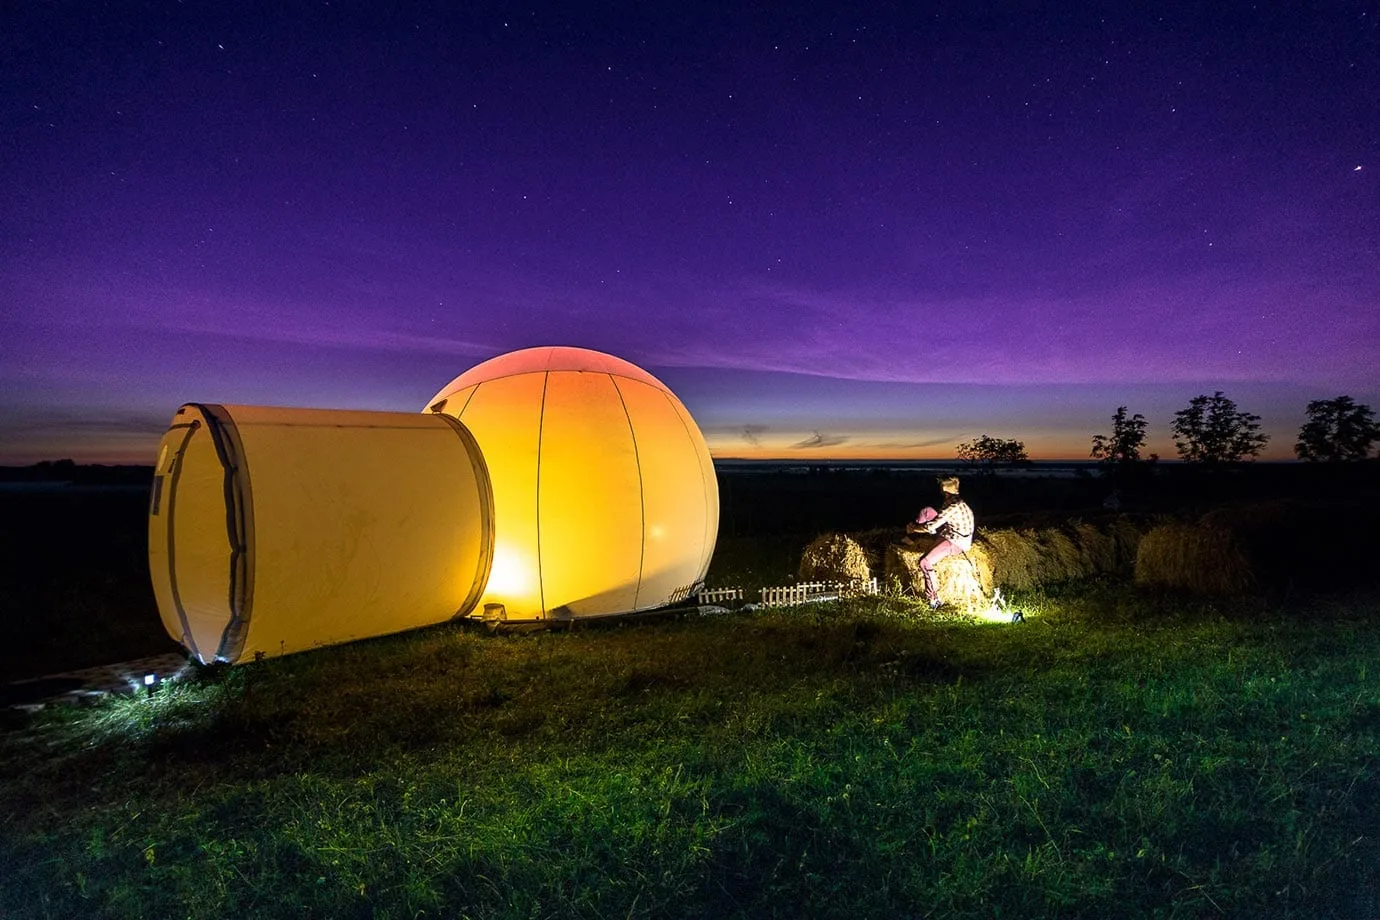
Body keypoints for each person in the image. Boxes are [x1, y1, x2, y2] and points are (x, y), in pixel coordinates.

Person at [906, 475, 975, 608]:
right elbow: (938, 520)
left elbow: (931, 526)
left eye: (941, 487)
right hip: (949, 532)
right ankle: (911, 536)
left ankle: (934, 599)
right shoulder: (954, 500)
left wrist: (915, 529)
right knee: (927, 511)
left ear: (944, 489)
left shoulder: (953, 506)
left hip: (955, 542)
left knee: (924, 562)